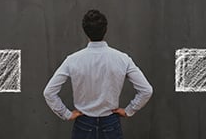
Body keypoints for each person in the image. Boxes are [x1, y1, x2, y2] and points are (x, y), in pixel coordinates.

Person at [43, 9, 153, 139]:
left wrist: (66, 114)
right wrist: (129, 110)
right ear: (105, 30)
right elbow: (146, 90)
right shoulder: (122, 58)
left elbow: (49, 92)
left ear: (85, 32)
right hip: (111, 123)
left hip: (83, 124)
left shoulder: (72, 60)